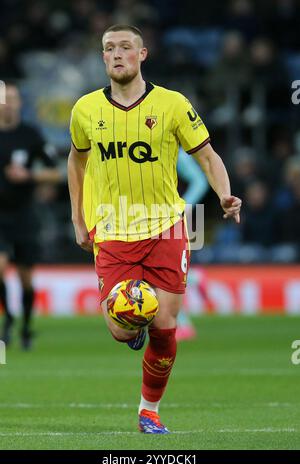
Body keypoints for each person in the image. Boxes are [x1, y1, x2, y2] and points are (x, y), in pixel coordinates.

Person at [67, 24, 242, 434]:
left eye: (125, 47)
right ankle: (132, 331)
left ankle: (149, 410)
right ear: (103, 58)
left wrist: (225, 194)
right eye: (109, 48)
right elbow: (76, 162)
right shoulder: (85, 110)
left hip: (165, 229)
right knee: (117, 328)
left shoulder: (172, 104)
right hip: (111, 229)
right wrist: (77, 217)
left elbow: (208, 157)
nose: (116, 54)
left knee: (165, 329)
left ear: (142, 54)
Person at [0, 83, 60, 350]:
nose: (10, 103)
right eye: (5, 99)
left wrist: (31, 176)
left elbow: (56, 172)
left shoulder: (30, 135)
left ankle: (25, 326)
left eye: (14, 99)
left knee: (26, 277)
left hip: (24, 214)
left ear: (19, 103)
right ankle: (8, 318)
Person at [176, 147, 209, 341]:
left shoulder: (174, 152)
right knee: (163, 273)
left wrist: (184, 206)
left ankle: (184, 325)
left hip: (171, 217)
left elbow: (200, 181)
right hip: (152, 215)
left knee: (164, 273)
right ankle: (195, 278)